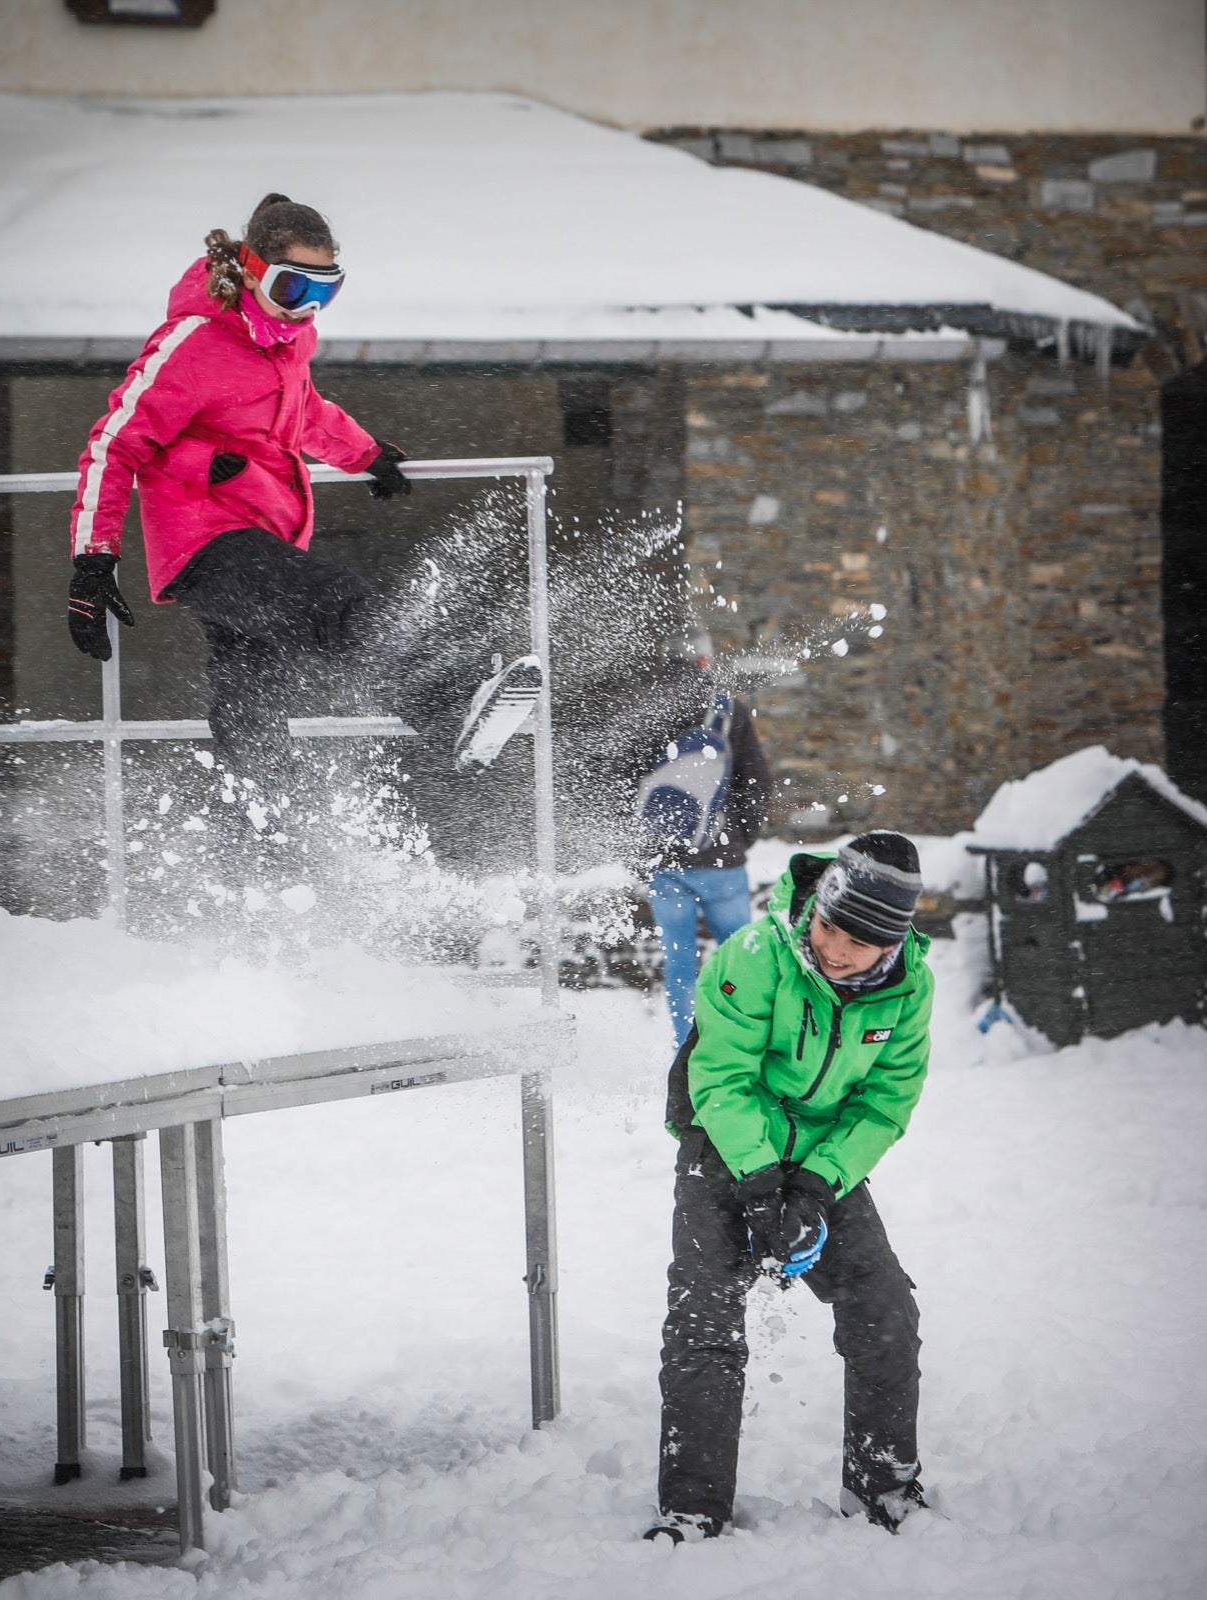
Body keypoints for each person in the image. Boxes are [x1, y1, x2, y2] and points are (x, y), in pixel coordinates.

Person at [65, 192, 540, 838]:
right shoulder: (194, 343)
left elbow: (305, 415)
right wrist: (93, 561)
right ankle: (449, 702)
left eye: (326, 291)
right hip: (209, 546)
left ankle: (257, 854)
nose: (308, 309)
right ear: (251, 270)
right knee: (335, 603)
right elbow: (113, 444)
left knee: (252, 713)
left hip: (259, 539)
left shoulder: (287, 344)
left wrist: (366, 454)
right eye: (293, 287)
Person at [648, 831, 934, 1543]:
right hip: (723, 1141)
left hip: (822, 1158)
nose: (835, 948)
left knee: (886, 1312)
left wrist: (813, 1188)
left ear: (892, 945)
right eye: (829, 925)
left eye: (858, 943)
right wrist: (761, 1187)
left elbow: (884, 1105)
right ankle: (692, 1509)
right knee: (704, 1326)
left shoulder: (910, 990)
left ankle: (883, 1487)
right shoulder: (756, 954)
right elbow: (720, 1078)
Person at [641, 629, 771, 1045]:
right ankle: (741, 1044)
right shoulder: (730, 710)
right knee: (741, 959)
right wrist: (739, 838)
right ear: (704, 661)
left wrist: (645, 847)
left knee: (680, 964)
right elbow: (758, 782)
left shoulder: (646, 712)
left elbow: (626, 783)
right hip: (722, 862)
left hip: (665, 862)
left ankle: (687, 1050)